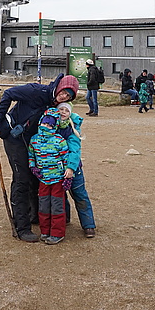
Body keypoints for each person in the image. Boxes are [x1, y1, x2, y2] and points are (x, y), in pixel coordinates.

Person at [0, 73, 79, 242]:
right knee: (22, 179)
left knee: (37, 176)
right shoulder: (36, 91)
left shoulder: (56, 105)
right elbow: (9, 94)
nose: (64, 96)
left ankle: (37, 215)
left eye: (69, 96)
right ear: (59, 86)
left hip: (35, 141)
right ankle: (22, 227)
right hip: (14, 138)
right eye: (64, 92)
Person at [28, 107, 77, 245]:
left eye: (50, 124)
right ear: (40, 122)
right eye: (45, 123)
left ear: (55, 126)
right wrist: (33, 167)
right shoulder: (34, 140)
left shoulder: (59, 140)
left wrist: (68, 175)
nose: (47, 126)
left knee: (57, 206)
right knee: (43, 206)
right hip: (43, 179)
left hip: (57, 179)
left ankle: (57, 233)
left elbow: (66, 158)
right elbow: (31, 155)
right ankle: (45, 230)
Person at [57, 101, 96, 238]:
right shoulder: (50, 127)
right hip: (56, 168)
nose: (62, 112)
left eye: (66, 110)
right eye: (60, 109)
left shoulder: (72, 130)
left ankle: (88, 225)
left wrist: (71, 167)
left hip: (73, 169)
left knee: (79, 195)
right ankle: (65, 218)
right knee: (60, 196)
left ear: (70, 114)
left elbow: (74, 150)